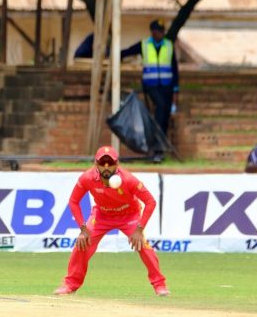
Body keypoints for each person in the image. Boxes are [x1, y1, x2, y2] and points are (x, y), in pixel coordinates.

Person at [53, 146, 169, 296]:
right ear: (96, 164)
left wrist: (139, 229)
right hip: (102, 215)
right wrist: (83, 229)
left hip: (129, 216)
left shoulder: (128, 180)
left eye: (110, 163)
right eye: (102, 163)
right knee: (81, 243)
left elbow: (150, 202)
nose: (106, 167)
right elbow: (73, 201)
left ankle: (159, 285)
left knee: (143, 246)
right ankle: (70, 284)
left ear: (117, 164)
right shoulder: (87, 178)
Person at [121, 19, 179, 162]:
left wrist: (176, 89)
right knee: (160, 107)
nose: (158, 34)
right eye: (156, 31)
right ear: (152, 31)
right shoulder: (145, 45)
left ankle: (159, 149)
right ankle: (156, 147)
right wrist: (114, 54)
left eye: (161, 31)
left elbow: (175, 69)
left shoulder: (169, 45)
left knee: (164, 114)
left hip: (167, 85)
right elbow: (128, 51)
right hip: (151, 85)